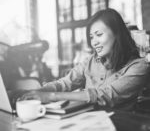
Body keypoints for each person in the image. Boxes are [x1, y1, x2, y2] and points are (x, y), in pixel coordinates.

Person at [19, 8, 150, 110]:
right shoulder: (90, 61)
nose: (94, 42)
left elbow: (105, 95)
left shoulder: (139, 66)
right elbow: (65, 83)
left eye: (99, 35)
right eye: (91, 37)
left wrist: (51, 96)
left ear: (117, 33)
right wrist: (37, 92)